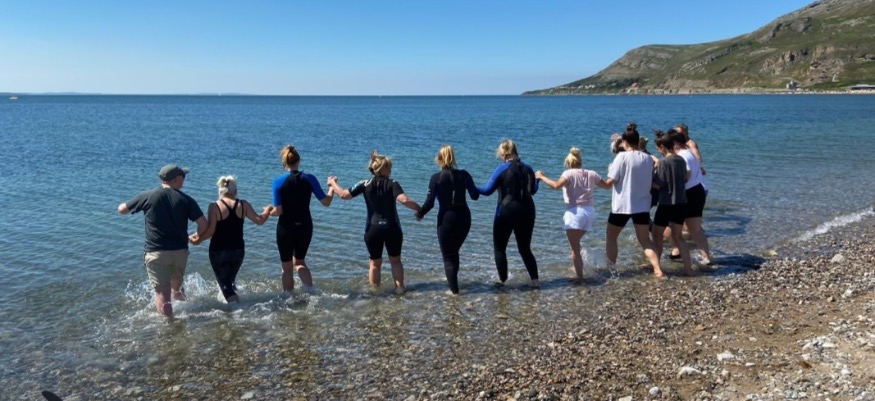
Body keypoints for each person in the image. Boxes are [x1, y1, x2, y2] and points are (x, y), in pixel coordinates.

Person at [117, 164, 207, 317]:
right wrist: (195, 236)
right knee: (177, 289)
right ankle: (187, 316)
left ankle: (170, 326)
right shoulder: (186, 199)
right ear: (176, 179)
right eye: (183, 177)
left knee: (162, 294)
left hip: (157, 252)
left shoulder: (148, 196)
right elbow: (203, 224)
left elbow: (122, 210)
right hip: (180, 252)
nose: (184, 180)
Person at [327, 150, 421, 294]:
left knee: (375, 263)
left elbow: (344, 195)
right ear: (384, 169)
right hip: (392, 228)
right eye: (389, 166)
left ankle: (375, 294)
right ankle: (400, 289)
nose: (391, 169)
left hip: (373, 229)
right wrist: (420, 209)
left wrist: (333, 183)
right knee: (395, 261)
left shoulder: (365, 183)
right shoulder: (393, 183)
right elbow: (404, 200)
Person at [189, 176, 273, 302]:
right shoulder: (243, 204)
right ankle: (237, 305)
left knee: (225, 286)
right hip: (238, 251)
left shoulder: (214, 206)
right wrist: (267, 210)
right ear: (236, 192)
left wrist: (198, 240)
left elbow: (210, 231)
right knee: (230, 281)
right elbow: (259, 220)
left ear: (220, 191)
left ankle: (239, 309)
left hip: (219, 251)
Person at [535, 147, 610, 282]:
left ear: (569, 163)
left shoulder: (568, 174)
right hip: (590, 213)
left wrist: (541, 177)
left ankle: (580, 278)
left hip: (575, 214)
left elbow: (556, 185)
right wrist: (614, 174)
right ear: (580, 161)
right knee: (576, 244)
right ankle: (581, 265)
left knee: (573, 249)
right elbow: (607, 186)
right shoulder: (592, 173)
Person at [415, 145, 480, 294]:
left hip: (446, 219)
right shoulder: (464, 175)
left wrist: (420, 213)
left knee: (448, 258)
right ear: (453, 158)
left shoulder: (436, 178)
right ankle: (454, 285)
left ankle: (455, 294)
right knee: (454, 252)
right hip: (464, 218)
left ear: (439, 160)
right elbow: (475, 196)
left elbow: (430, 203)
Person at [602, 124, 664, 277]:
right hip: (642, 205)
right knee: (645, 240)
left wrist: (598, 181)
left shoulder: (621, 157)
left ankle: (612, 270)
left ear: (624, 142)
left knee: (611, 236)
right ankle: (658, 270)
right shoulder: (647, 158)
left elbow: (610, 182)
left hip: (621, 205)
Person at [271, 145, 334, 293]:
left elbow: (278, 211)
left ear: (284, 163)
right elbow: (326, 202)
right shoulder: (309, 178)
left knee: (287, 267)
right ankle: (311, 292)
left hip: (285, 228)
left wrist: (268, 212)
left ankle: (288, 297)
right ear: (298, 161)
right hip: (305, 226)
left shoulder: (278, 182)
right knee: (299, 262)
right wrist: (331, 187)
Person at [478, 139, 540, 287]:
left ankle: (503, 282)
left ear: (503, 154)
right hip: (527, 211)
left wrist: (471, 187)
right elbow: (533, 190)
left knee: (500, 249)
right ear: (515, 152)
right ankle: (535, 282)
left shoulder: (501, 169)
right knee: (525, 249)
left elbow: (487, 190)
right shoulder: (528, 168)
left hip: (506, 212)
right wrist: (537, 180)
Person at [667, 128, 713, 265]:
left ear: (675, 143)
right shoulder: (689, 152)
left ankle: (680, 253)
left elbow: (686, 173)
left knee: (672, 229)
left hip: (687, 194)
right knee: (695, 230)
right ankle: (706, 258)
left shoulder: (681, 156)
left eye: (669, 143)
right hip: (697, 191)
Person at [651, 132, 693, 275]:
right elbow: (686, 178)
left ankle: (657, 268)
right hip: (681, 202)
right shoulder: (681, 160)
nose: (658, 151)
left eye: (658, 148)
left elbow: (660, 183)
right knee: (678, 236)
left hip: (666, 203)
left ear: (662, 147)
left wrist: (649, 182)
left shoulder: (663, 162)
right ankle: (688, 269)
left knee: (656, 235)